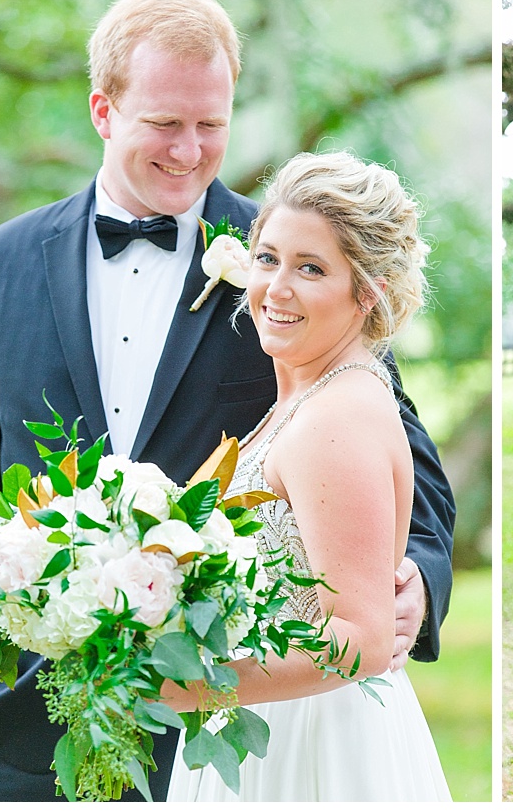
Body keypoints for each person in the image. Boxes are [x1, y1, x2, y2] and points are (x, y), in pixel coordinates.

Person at [0, 0, 455, 803]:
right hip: (35, 731)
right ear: (103, 111)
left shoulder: (291, 264)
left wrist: (412, 579)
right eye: (165, 124)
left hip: (234, 734)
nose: (189, 150)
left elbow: (401, 467)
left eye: (212, 124)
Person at [164, 150, 451, 801]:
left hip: (310, 744)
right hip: (270, 717)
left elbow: (362, 637)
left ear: (367, 291)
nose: (276, 287)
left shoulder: (335, 417)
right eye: (267, 258)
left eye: (311, 268)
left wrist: (185, 684)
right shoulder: (312, 397)